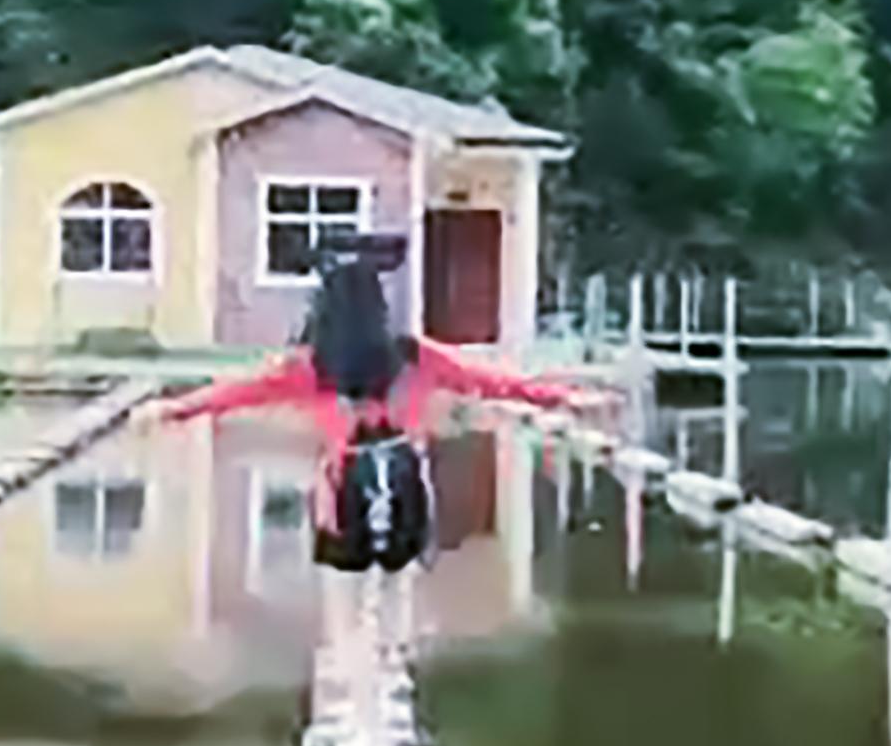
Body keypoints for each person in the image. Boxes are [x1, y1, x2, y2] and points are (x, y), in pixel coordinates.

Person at [150, 234, 598, 571]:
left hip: (342, 485)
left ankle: (351, 660)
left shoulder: (311, 366)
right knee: (398, 569)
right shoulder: (413, 356)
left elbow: (237, 392)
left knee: (344, 577)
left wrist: (176, 409)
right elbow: (490, 381)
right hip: (404, 481)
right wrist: (565, 397)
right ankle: (389, 653)